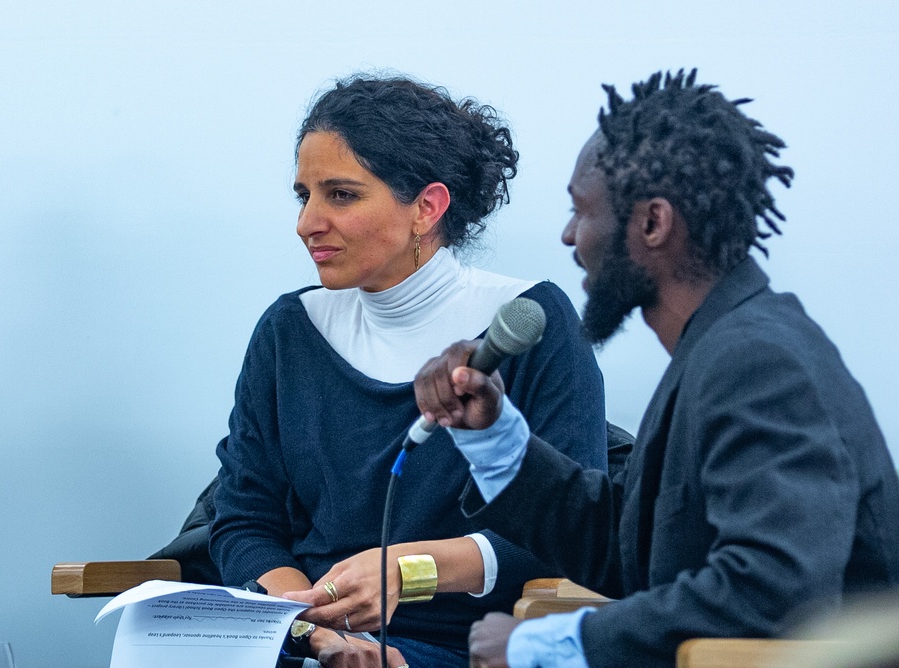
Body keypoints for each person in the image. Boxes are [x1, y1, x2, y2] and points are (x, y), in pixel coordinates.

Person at [413, 70, 899, 668]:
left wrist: (555, 644)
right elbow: (631, 551)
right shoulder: (718, 349)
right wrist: (494, 437)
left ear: (652, 223)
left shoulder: (757, 361)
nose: (569, 236)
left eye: (580, 210)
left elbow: (773, 591)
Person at [209, 75, 608, 668]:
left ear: (427, 207)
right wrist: (315, 631)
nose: (307, 222)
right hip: (310, 644)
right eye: (304, 196)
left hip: (474, 647)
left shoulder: (526, 324)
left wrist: (408, 571)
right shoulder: (288, 330)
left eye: (340, 195)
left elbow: (573, 532)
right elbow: (245, 520)